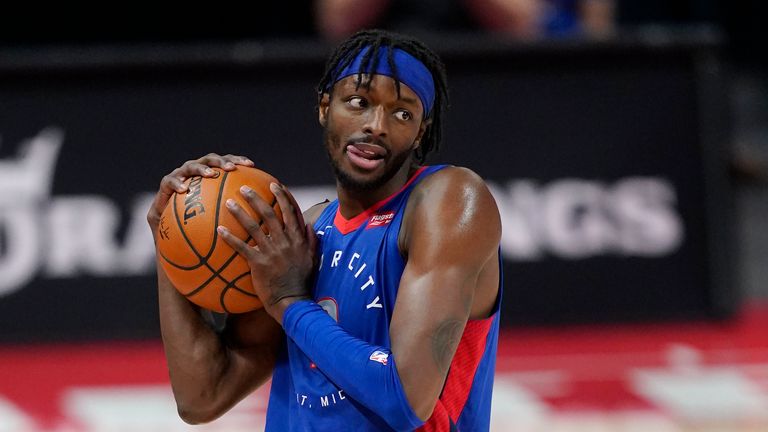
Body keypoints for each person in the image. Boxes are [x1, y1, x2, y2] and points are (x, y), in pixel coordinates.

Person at [147, 29, 502, 431]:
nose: (377, 125)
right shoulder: (306, 233)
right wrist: (170, 233)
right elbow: (201, 397)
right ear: (324, 106)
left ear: (421, 131)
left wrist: (289, 304)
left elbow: (405, 397)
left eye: (402, 113)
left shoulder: (448, 201)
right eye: (359, 102)